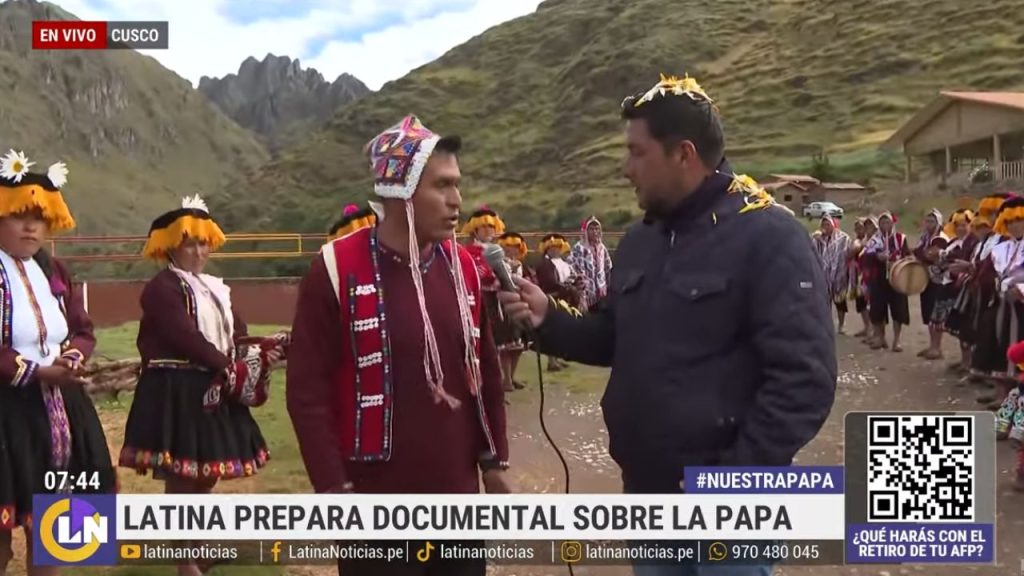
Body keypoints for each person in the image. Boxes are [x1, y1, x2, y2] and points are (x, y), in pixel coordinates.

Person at [498, 74, 836, 576]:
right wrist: (550, 318)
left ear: (684, 154)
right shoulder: (640, 241)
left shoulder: (769, 235)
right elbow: (615, 335)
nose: (625, 168)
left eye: (637, 153)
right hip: (648, 494)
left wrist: (729, 481)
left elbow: (805, 381)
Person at [286, 115, 510, 576]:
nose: (457, 201)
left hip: (457, 503)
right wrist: (333, 490)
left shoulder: (465, 268)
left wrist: (493, 461)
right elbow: (307, 392)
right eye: (442, 186)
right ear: (400, 191)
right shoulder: (335, 268)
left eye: (457, 185)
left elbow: (484, 371)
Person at [119, 195, 286, 576]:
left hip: (213, 386)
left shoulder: (215, 289)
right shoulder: (162, 288)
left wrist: (262, 350)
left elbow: (236, 336)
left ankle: (199, 545)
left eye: (204, 241)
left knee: (206, 472)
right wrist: (230, 366)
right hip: (177, 390)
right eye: (190, 242)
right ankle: (185, 562)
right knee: (183, 475)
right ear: (170, 247)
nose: (199, 250)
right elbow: (186, 338)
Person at [0, 151, 116, 576]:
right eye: (19, 215)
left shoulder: (53, 269)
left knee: (55, 528)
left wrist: (72, 356)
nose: (31, 226)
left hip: (62, 410)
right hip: (7, 413)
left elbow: (82, 330)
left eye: (39, 217)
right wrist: (36, 372)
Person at [964, 195, 1009, 391]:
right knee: (984, 333)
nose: (990, 217)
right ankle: (988, 378)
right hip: (985, 293)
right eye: (987, 214)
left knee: (1001, 338)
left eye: (994, 213)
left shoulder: (1004, 239)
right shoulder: (988, 241)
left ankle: (1002, 389)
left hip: (1004, 297)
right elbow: (985, 266)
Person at [934, 209, 978, 372]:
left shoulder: (972, 242)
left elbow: (962, 260)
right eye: (958, 225)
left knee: (965, 327)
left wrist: (946, 258)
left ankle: (970, 363)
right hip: (949, 286)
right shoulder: (954, 241)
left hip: (963, 287)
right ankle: (964, 360)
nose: (961, 228)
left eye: (964, 225)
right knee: (958, 328)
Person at [863, 211, 910, 351]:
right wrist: (878, 257)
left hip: (896, 278)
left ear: (892, 223)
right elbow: (865, 257)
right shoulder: (874, 240)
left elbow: (907, 255)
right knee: (878, 308)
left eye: (887, 222)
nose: (885, 225)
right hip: (878, 279)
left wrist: (899, 260)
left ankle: (897, 340)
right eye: (882, 222)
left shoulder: (900, 238)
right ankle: (880, 337)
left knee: (898, 308)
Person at [534, 233, 579, 372]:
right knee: (552, 329)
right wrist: (565, 287)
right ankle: (551, 361)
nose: (556, 250)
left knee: (561, 329)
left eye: (558, 247)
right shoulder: (545, 264)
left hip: (564, 297)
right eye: (552, 247)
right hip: (552, 298)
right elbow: (549, 282)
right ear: (547, 249)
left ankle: (557, 358)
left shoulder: (563, 263)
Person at [913, 209, 950, 359]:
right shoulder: (925, 237)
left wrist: (923, 254)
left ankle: (937, 347)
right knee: (928, 312)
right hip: (927, 278)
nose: (928, 224)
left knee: (936, 314)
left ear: (938, 223)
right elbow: (921, 252)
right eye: (927, 221)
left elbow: (929, 254)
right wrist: (923, 254)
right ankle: (932, 346)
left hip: (939, 280)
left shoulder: (940, 238)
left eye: (932, 221)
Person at [496, 231, 530, 391]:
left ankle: (512, 377)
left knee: (518, 345)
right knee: (506, 344)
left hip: (519, 303)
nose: (512, 249)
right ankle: (506, 379)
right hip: (504, 306)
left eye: (516, 247)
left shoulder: (519, 264)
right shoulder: (498, 263)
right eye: (508, 246)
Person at [812, 215, 851, 333]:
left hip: (839, 275)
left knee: (840, 302)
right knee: (824, 302)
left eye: (828, 224)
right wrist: (815, 239)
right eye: (823, 225)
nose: (825, 227)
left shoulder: (843, 238)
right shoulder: (817, 239)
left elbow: (848, 252)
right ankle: (826, 325)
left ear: (833, 225)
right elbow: (811, 251)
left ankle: (841, 325)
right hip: (823, 276)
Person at [569, 216, 613, 312]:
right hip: (587, 296)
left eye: (597, 229)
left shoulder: (602, 248)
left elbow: (608, 268)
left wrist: (610, 290)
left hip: (602, 294)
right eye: (591, 229)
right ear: (586, 231)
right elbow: (576, 273)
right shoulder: (579, 248)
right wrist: (582, 296)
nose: (595, 231)